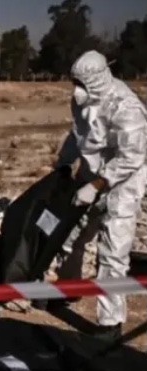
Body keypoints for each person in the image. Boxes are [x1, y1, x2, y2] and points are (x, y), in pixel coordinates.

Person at [53, 50, 147, 342]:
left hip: (123, 184)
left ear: (96, 79)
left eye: (81, 83)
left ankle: (110, 323)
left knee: (112, 252)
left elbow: (132, 156)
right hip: (90, 176)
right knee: (71, 235)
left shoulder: (126, 107)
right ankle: (68, 289)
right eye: (74, 82)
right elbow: (77, 134)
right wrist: (64, 162)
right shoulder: (81, 101)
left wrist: (97, 185)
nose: (76, 90)